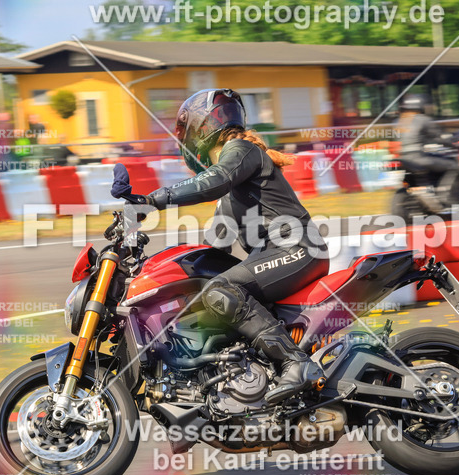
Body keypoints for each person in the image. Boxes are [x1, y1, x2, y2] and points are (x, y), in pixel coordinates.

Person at [134, 88, 328, 404]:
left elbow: (214, 180)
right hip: (279, 255)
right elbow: (212, 248)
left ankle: (296, 363)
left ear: (200, 129)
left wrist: (155, 199)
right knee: (209, 292)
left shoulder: (241, 151)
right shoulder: (230, 189)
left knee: (221, 290)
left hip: (297, 249)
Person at [396, 93, 459, 179]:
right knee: (453, 165)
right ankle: (445, 188)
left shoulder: (398, 121)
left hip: (402, 159)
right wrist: (455, 145)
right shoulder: (423, 119)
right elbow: (438, 138)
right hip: (417, 158)